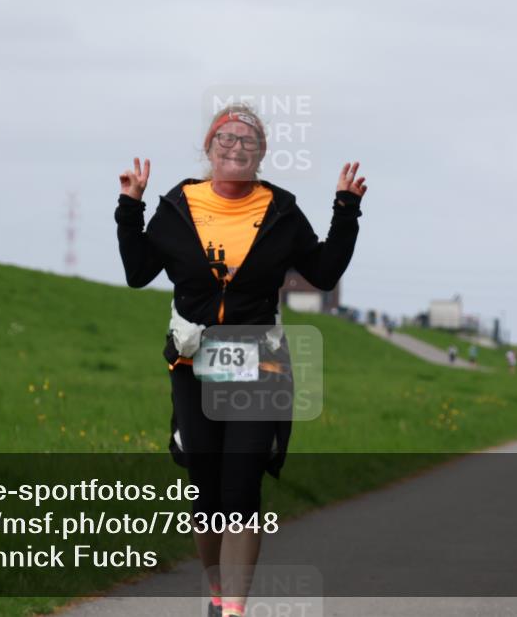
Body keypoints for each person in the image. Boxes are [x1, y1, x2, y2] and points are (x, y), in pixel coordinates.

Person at [114, 103, 366, 617]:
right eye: (225, 138)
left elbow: (321, 272)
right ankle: (214, 594)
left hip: (259, 362)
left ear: (261, 154)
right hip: (193, 363)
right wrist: (129, 207)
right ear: (208, 149)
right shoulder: (179, 204)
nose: (236, 146)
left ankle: (234, 609)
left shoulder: (280, 211)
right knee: (206, 496)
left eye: (248, 140)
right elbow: (139, 272)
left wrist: (345, 212)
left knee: (242, 488)